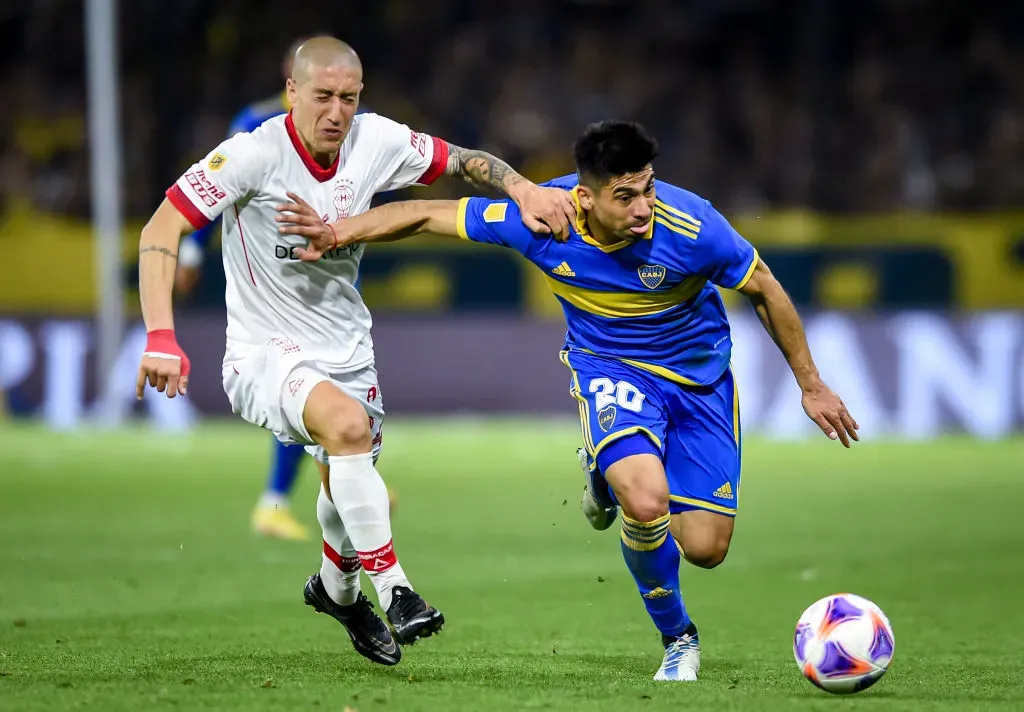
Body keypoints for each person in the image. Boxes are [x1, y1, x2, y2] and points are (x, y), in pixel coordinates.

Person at [274, 120, 860, 681]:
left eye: (648, 188)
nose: (642, 208)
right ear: (585, 197)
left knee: (705, 549)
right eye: (625, 195)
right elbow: (428, 214)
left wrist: (810, 383)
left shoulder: (694, 227)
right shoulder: (540, 218)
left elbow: (765, 289)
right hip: (610, 369)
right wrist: (339, 231)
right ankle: (678, 637)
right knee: (646, 499)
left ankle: (602, 476)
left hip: (699, 380)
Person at [135, 36, 575, 667]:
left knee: (347, 474)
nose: (336, 112)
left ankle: (337, 591)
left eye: (348, 97)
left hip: (346, 345)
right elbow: (162, 225)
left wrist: (526, 191)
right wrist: (160, 335)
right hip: (263, 351)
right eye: (322, 96)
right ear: (292, 91)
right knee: (345, 430)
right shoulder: (253, 154)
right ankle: (396, 592)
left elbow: (463, 161)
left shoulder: (375, 140)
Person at [174, 37, 321, 543]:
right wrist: (191, 251)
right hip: (272, 280)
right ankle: (283, 500)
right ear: (291, 78)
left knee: (335, 388)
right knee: (304, 386)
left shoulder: (347, 128)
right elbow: (211, 190)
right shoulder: (255, 126)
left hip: (327, 273)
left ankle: (343, 477)